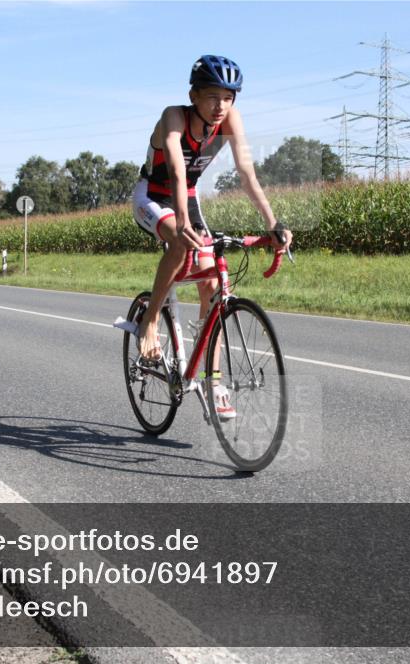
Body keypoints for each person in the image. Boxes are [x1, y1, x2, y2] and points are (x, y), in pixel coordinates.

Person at [132, 55, 292, 418]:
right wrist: (182, 224)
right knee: (179, 241)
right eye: (212, 97)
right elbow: (176, 171)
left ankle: (211, 379)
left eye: (228, 98)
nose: (221, 106)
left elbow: (247, 174)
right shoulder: (174, 116)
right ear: (194, 96)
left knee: (211, 284)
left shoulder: (231, 119)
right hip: (153, 195)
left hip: (187, 196)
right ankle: (151, 320)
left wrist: (273, 223)